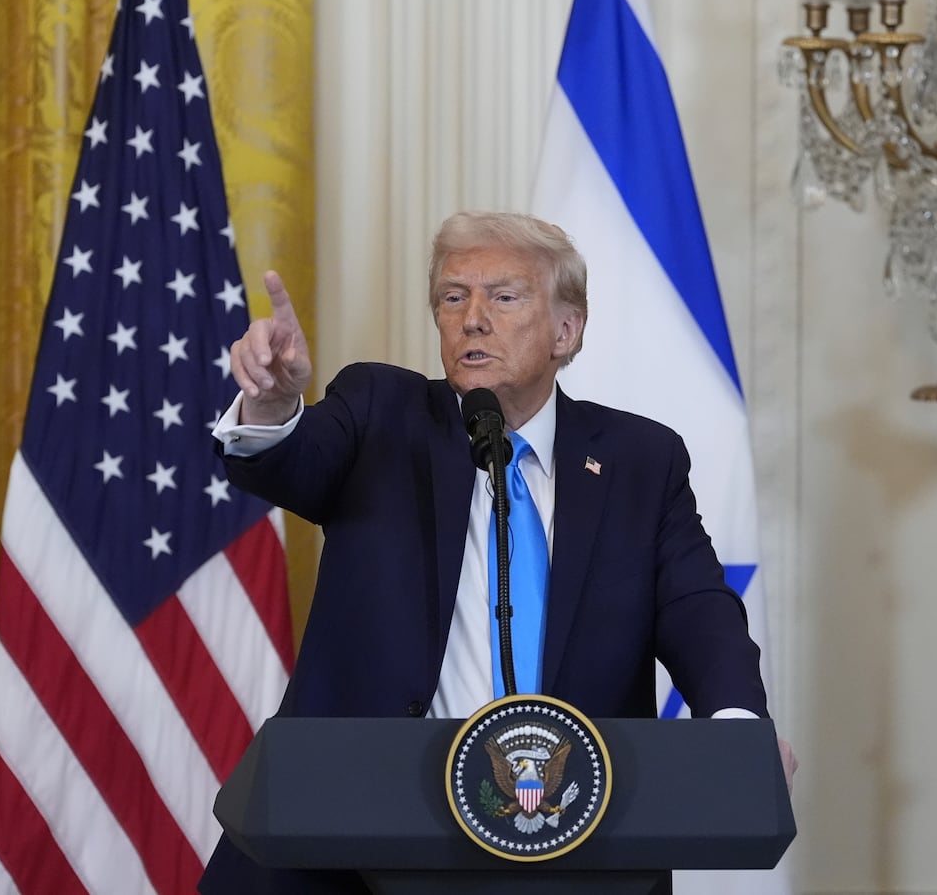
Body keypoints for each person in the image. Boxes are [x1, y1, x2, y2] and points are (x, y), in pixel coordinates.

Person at [198, 211, 789, 894]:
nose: (472, 318)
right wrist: (271, 406)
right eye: (453, 297)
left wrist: (736, 729)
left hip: (568, 844)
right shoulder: (378, 413)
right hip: (348, 845)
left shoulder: (640, 460)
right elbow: (290, 463)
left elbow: (698, 611)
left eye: (504, 297)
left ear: (567, 330)